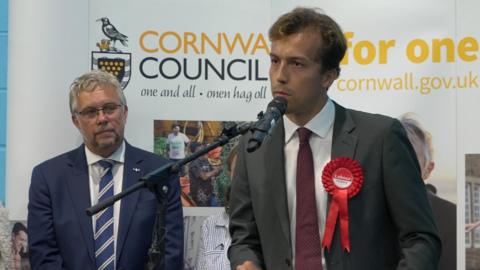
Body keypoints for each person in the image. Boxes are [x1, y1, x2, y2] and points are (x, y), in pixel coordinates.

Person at [228, 7, 441, 270]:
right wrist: (245, 261)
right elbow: (243, 237)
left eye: (296, 63)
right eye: (274, 61)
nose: (280, 76)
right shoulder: (254, 145)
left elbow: (420, 238)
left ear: (329, 76)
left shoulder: (381, 138)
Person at [28, 70, 183, 270]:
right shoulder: (48, 178)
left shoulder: (160, 172)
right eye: (91, 112)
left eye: (110, 108)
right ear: (76, 121)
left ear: (124, 113)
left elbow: (170, 255)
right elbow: (43, 257)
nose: (102, 118)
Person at [399, 112, 456, 270]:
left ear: (428, 169)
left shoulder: (451, 217)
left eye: (411, 155)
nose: (400, 163)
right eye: (393, 153)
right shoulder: (365, 212)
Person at [196, 144, 238, 270]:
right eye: (240, 170)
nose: (246, 176)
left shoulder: (274, 225)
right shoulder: (211, 224)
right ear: (230, 173)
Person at [188, 142, 222, 207]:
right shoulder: (194, 163)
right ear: (196, 150)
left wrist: (218, 169)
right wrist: (216, 170)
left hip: (210, 192)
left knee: (216, 212)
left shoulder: (205, 160)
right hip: (200, 195)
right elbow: (204, 176)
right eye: (201, 147)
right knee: (205, 215)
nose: (204, 149)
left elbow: (213, 172)